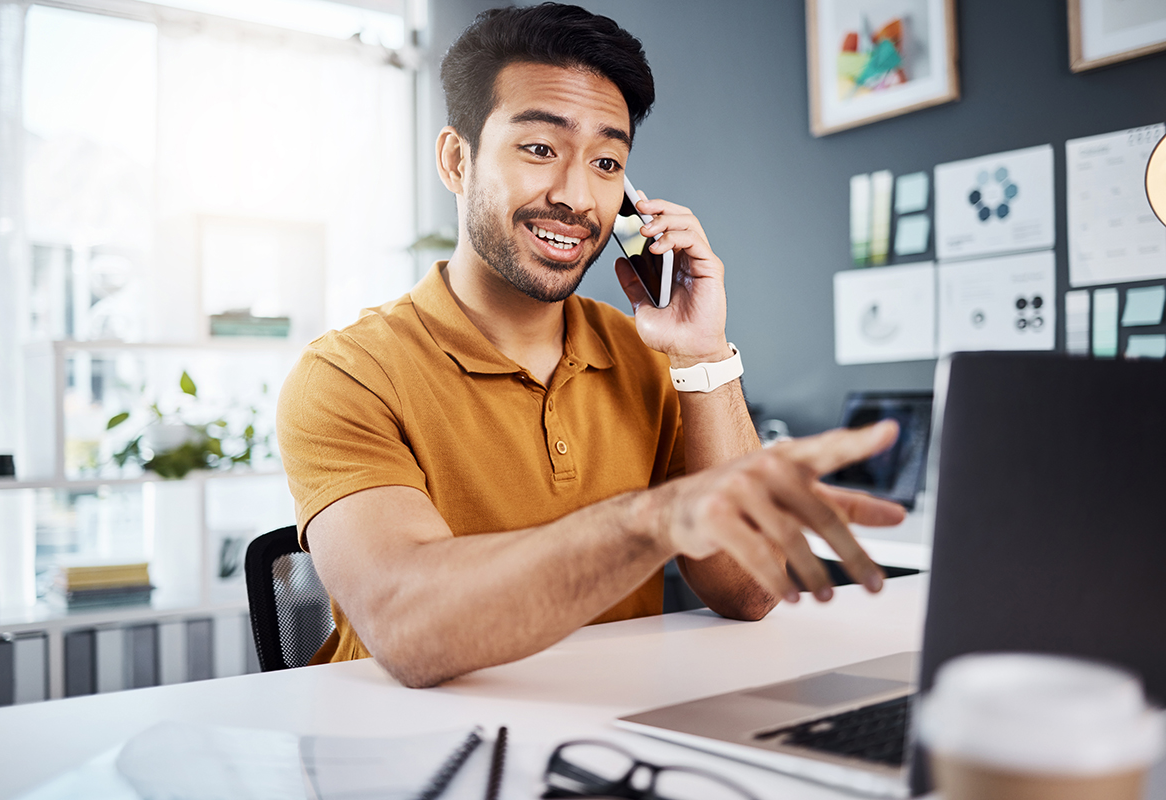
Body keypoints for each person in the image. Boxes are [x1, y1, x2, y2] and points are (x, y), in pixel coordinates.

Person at [276, 3, 904, 688]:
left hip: (609, 738)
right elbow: (409, 626)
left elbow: (750, 591)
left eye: (607, 161)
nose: (577, 196)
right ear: (458, 159)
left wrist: (703, 354)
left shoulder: (645, 361)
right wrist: (656, 519)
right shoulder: (347, 375)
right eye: (540, 149)